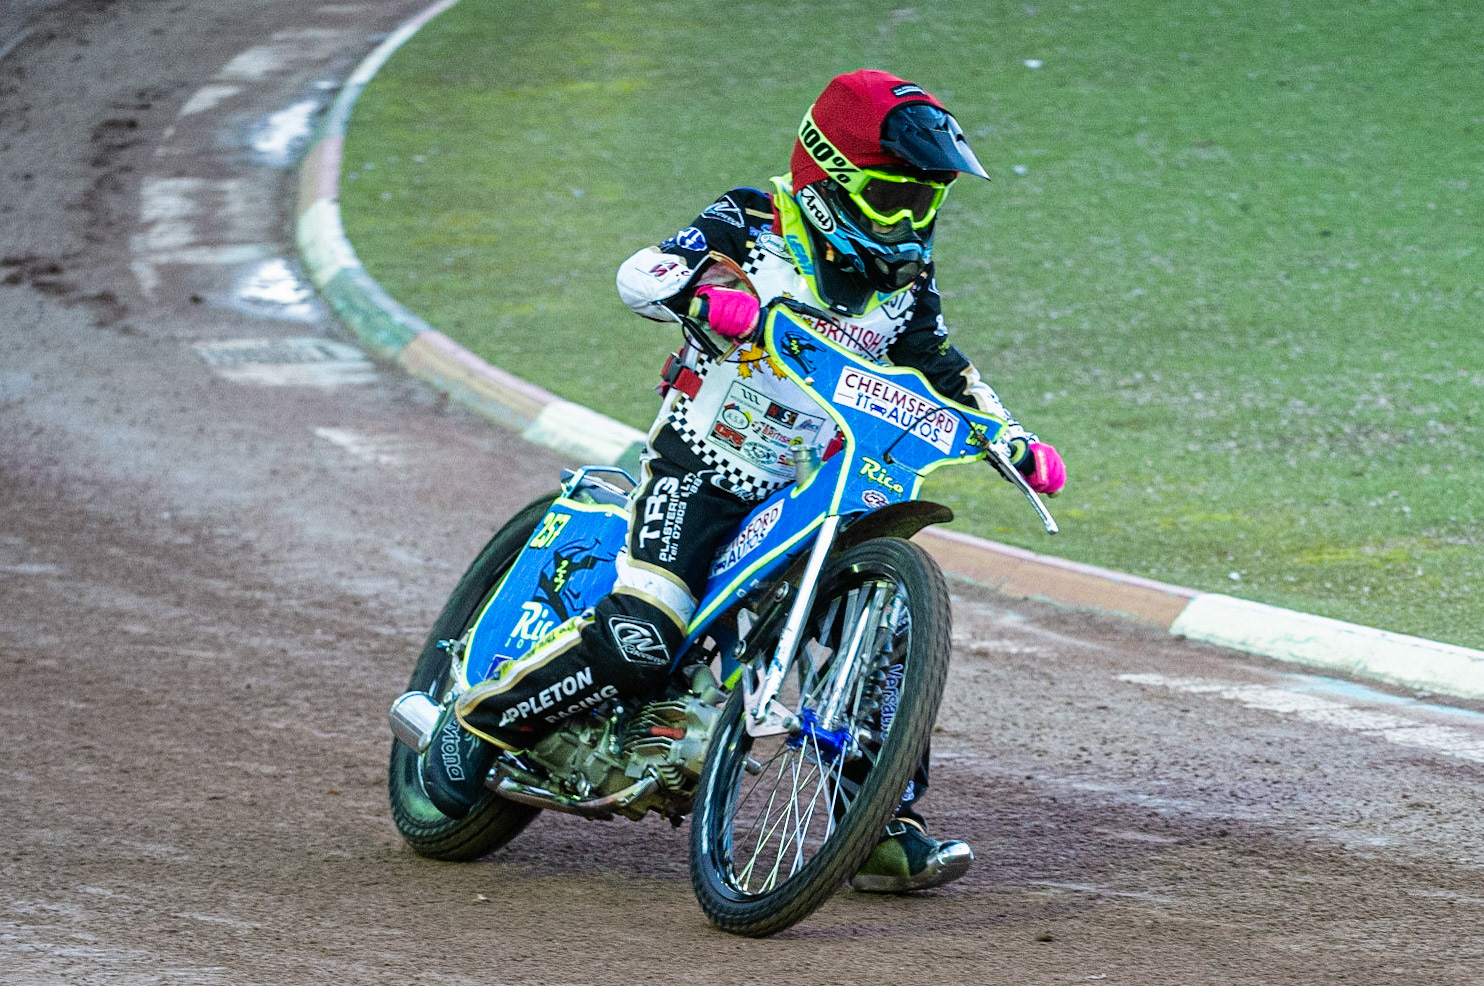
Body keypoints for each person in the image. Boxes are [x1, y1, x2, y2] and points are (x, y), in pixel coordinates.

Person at [421, 69, 1066, 893]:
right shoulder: (752, 223)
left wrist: (1011, 438)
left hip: (814, 483)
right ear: (829, 174)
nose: (909, 221)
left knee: (882, 629)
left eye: (923, 202)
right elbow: (641, 274)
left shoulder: (903, 288)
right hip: (704, 463)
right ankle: (479, 722)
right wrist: (705, 294)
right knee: (643, 633)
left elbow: (943, 368)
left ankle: (876, 824)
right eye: (892, 197)